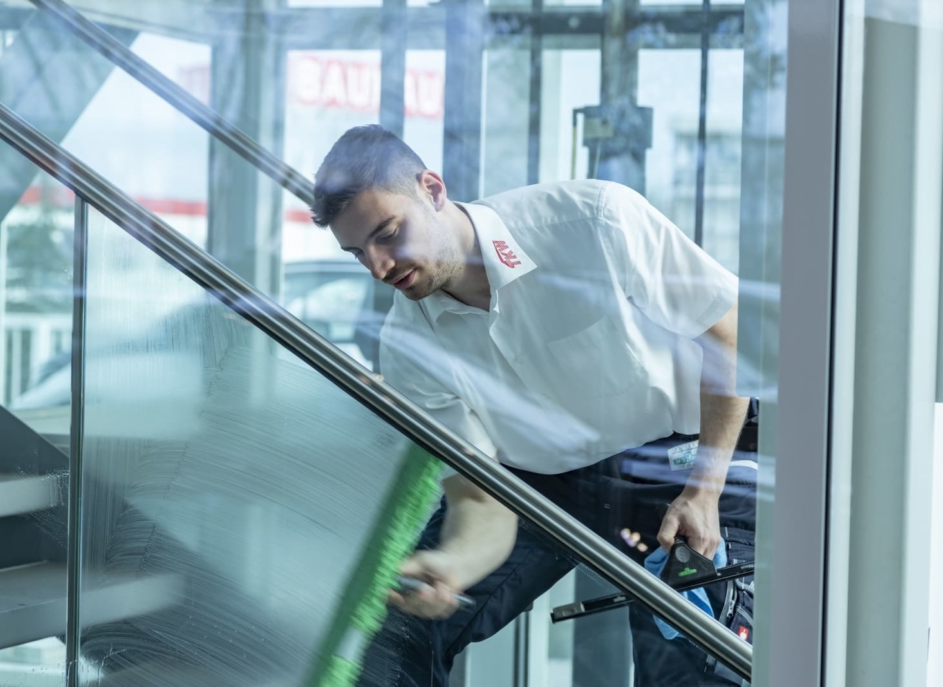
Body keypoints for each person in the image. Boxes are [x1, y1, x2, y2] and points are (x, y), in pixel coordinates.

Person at [311, 125, 758, 686]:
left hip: (677, 462)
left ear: (431, 189)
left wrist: (705, 489)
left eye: (388, 234)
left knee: (694, 653)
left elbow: (728, 334)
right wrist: (454, 567)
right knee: (394, 631)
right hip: (539, 484)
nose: (379, 268)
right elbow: (481, 498)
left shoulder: (594, 221)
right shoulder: (408, 346)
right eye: (358, 253)